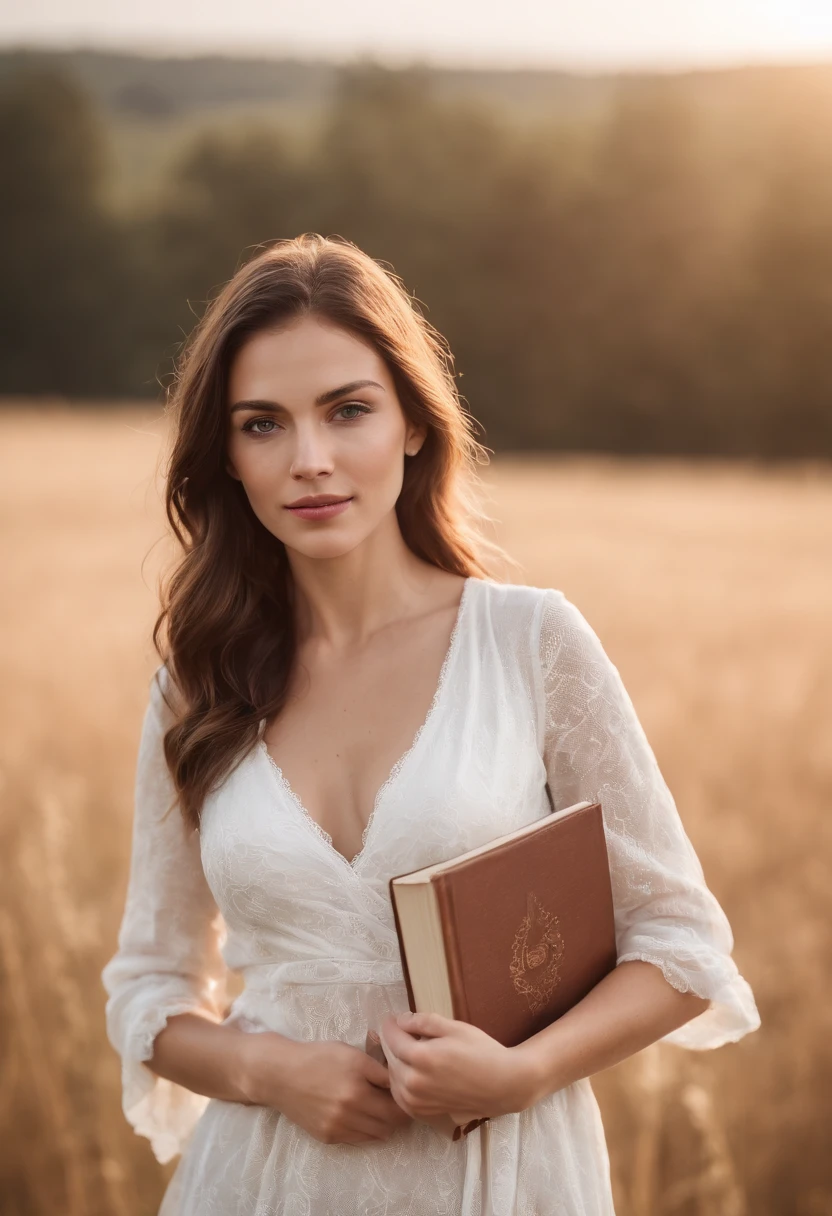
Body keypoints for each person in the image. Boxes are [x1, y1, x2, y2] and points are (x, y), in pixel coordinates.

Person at [101, 233, 760, 1216]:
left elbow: (681, 947)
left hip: (493, 1180)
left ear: (413, 421)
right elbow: (149, 989)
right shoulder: (199, 682)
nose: (311, 460)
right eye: (263, 424)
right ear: (226, 455)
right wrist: (272, 1072)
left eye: (348, 410)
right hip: (259, 1181)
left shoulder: (527, 641)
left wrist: (524, 1072)